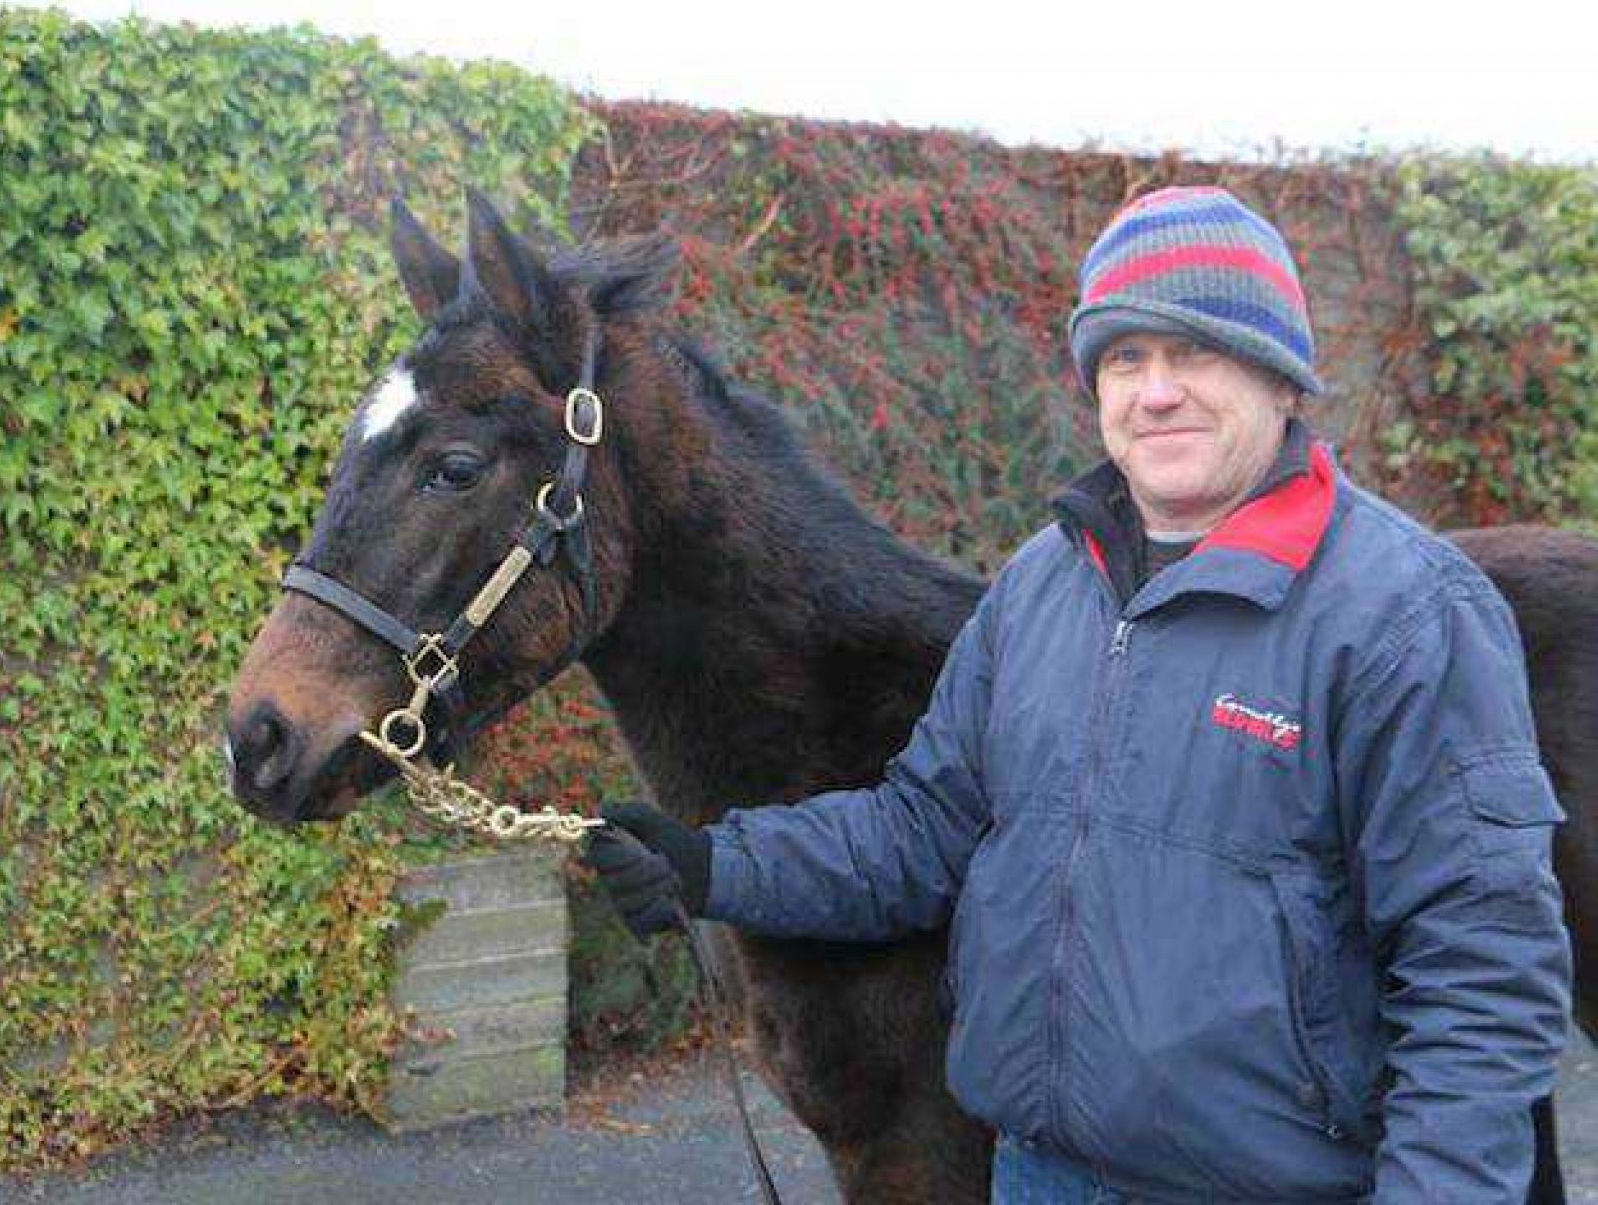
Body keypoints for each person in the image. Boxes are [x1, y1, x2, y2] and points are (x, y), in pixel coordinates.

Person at [582, 186, 1573, 1202]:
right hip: (1039, 1174)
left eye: (1195, 351)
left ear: (1281, 378)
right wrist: (716, 864)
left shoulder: (1404, 613)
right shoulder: (1044, 585)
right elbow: (923, 829)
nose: (1155, 390)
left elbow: (1482, 976)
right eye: (1124, 357)